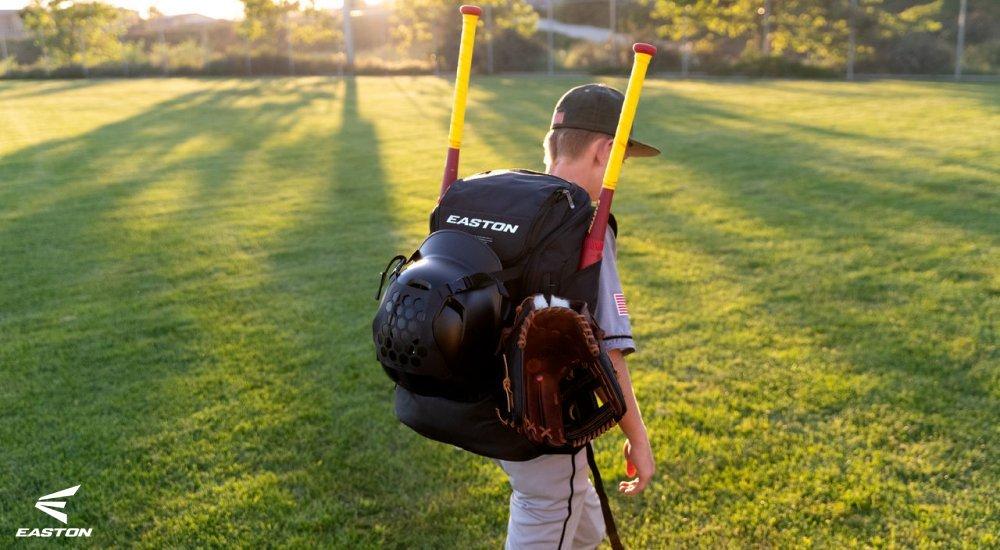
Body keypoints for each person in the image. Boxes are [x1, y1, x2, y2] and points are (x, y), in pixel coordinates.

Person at [496, 84, 660, 549]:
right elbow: (609, 350)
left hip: (488, 405)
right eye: (620, 159)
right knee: (549, 503)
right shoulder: (583, 226)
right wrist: (638, 438)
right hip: (543, 419)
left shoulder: (510, 198)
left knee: (582, 519)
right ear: (604, 151)